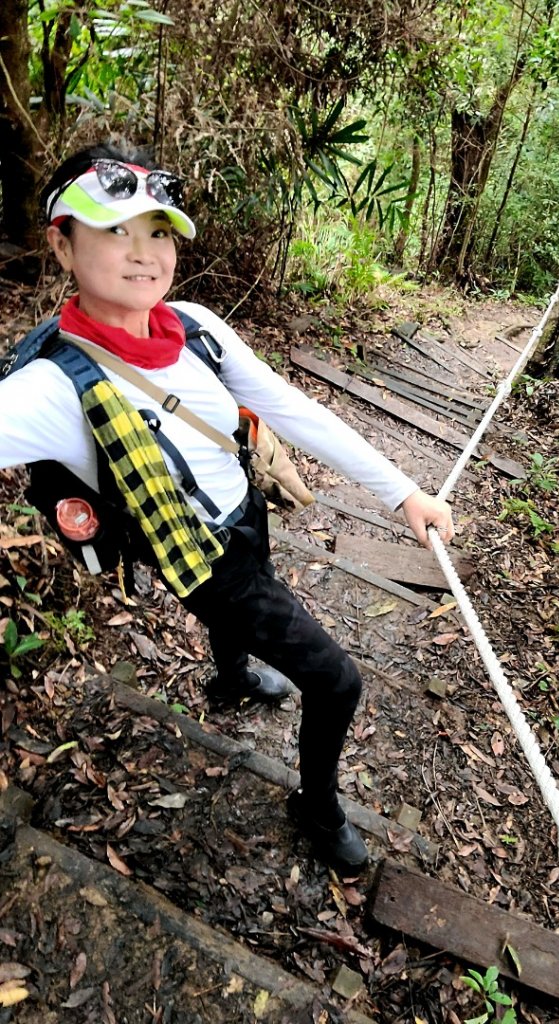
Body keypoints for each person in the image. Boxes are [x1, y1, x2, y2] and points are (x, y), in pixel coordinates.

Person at [0, 144, 454, 875]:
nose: (144, 253)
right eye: (113, 231)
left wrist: (403, 493)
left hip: (245, 513)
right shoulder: (49, 390)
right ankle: (316, 805)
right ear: (61, 244)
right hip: (194, 554)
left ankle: (231, 676)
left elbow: (290, 408)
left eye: (156, 231)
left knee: (247, 608)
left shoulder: (196, 326)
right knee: (337, 680)